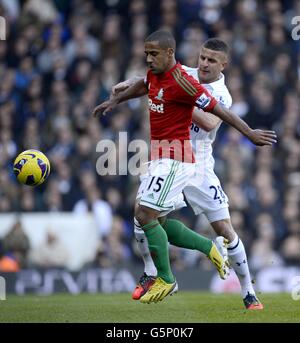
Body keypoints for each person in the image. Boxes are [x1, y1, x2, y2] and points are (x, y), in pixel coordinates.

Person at [93, 30, 276, 304]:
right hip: (167, 153)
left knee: (225, 229)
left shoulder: (219, 93)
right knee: (148, 217)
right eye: (202, 57)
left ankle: (248, 291)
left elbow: (211, 122)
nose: (204, 63)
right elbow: (152, 82)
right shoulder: (183, 73)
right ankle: (156, 271)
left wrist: (172, 97)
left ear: (223, 65)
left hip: (198, 162)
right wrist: (139, 84)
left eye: (211, 60)